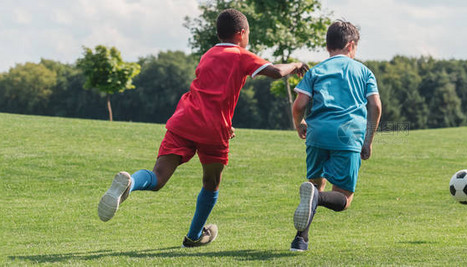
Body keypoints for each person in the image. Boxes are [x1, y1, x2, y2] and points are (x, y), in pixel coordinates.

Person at [96, 8, 309, 248]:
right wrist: (296, 64)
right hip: (212, 130)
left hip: (184, 120)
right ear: (241, 33)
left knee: (157, 176)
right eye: (248, 33)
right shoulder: (240, 54)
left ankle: (130, 183)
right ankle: (195, 235)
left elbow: (211, 93)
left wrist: (227, 121)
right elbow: (277, 72)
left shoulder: (208, 55)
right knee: (211, 183)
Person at [289, 20, 382, 252]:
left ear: (328, 46)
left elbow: (299, 104)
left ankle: (300, 240)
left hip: (317, 134)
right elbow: (376, 106)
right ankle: (317, 200)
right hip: (348, 136)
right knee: (343, 199)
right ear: (351, 45)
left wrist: (299, 123)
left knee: (314, 185)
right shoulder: (364, 72)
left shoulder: (316, 71)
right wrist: (368, 139)